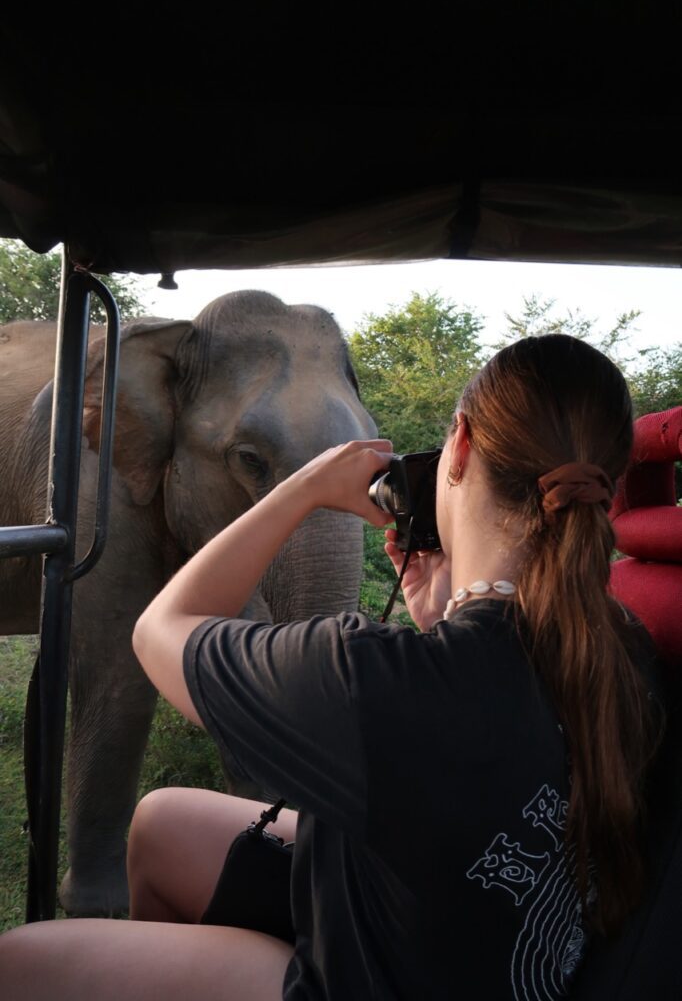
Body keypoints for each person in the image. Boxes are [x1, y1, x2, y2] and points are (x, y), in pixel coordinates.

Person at [0, 334, 664, 1001]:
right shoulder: (627, 646)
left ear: (457, 448)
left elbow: (159, 633)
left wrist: (301, 489)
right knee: (161, 821)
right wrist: (447, 618)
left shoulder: (384, 682)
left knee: (20, 961)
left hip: (374, 981)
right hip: (484, 950)